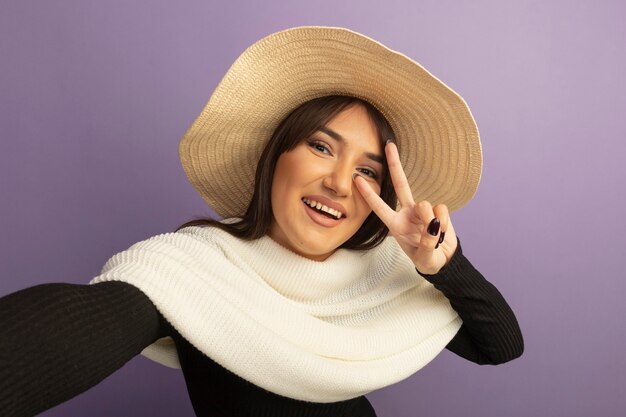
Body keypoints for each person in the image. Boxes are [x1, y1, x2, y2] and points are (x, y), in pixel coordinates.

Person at [0, 27, 523, 417]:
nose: (341, 184)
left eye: (367, 172)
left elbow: (499, 346)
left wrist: (443, 265)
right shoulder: (198, 265)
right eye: (322, 147)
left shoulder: (383, 273)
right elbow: (87, 323)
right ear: (278, 156)